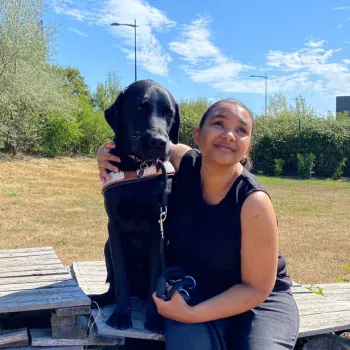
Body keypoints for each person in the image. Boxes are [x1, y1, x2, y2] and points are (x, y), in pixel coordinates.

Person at [97, 99, 299, 350]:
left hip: (259, 302)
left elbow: (256, 288)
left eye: (241, 130)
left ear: (248, 147)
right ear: (198, 135)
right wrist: (105, 152)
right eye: (218, 123)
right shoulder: (186, 163)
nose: (228, 135)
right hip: (196, 285)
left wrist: (192, 315)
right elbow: (146, 140)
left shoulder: (253, 201)